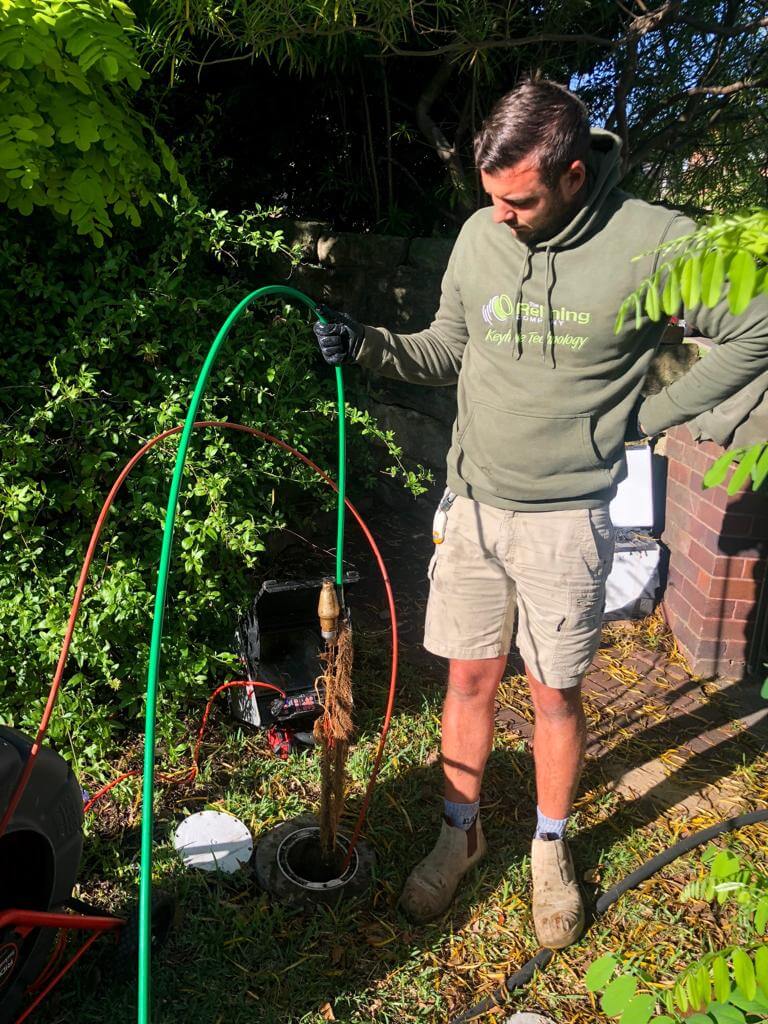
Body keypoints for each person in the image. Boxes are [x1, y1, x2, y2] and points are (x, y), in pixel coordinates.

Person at [312, 79, 768, 947]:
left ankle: (549, 848)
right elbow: (447, 345)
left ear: (570, 172)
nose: (502, 218)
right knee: (468, 680)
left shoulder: (656, 243)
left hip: (568, 520)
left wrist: (652, 416)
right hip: (474, 505)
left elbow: (759, 322)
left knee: (555, 693)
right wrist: (366, 342)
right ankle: (461, 833)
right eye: (490, 200)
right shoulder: (484, 234)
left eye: (518, 200)